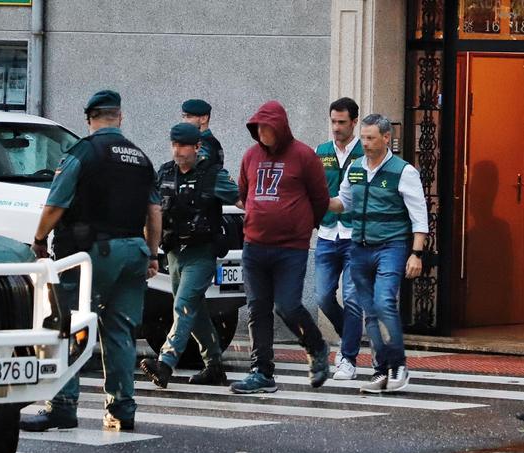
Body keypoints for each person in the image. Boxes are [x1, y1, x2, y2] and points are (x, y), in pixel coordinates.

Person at [21, 90, 161, 431]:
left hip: (92, 254)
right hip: (134, 253)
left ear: (89, 119)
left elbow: (55, 206)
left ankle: (63, 406)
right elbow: (155, 212)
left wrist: (39, 240)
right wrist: (153, 253)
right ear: (120, 117)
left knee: (68, 324)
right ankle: (122, 408)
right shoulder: (141, 159)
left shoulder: (83, 152)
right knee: (120, 331)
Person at [230, 100, 331, 394]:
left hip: (291, 248)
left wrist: (302, 225)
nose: (262, 133)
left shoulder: (304, 156)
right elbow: (243, 194)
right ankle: (261, 372)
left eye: (267, 127)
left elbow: (320, 199)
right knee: (257, 308)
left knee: (287, 306)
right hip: (254, 245)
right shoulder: (250, 156)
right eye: (258, 128)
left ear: (281, 127)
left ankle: (316, 346)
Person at [329, 113, 428, 393]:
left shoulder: (403, 171)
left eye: (371, 138)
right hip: (359, 248)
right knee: (370, 313)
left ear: (387, 138)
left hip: (391, 247)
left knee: (384, 302)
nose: (366, 143)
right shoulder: (356, 168)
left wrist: (416, 253)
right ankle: (380, 370)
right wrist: (319, 200)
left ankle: (399, 365)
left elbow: (419, 215)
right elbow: (343, 203)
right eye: (363, 138)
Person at [140, 123, 240, 388]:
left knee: (182, 305)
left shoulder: (213, 175)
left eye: (183, 145)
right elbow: (152, 211)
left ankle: (165, 363)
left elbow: (244, 202)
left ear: (197, 147)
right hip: (173, 252)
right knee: (194, 312)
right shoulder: (164, 173)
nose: (178, 150)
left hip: (201, 252)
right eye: (174, 144)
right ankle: (214, 365)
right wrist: (149, 248)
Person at [314, 97, 365, 380]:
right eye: (333, 121)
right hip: (326, 233)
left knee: (352, 298)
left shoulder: (364, 150)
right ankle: (349, 333)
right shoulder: (320, 152)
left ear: (354, 122)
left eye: (342, 122)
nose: (336, 128)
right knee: (322, 295)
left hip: (354, 235)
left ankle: (348, 357)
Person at [182, 99, 224, 167]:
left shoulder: (204, 145)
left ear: (204, 119)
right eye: (183, 116)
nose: (184, 121)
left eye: (189, 116)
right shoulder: (211, 142)